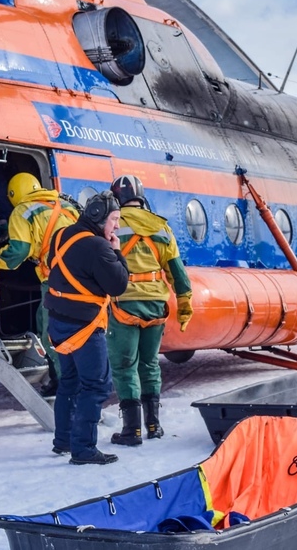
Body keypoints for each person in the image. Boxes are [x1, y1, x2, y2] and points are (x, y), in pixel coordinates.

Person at [106, 175, 193, 447]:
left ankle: (131, 430)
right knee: (150, 363)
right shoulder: (162, 227)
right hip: (156, 306)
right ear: (141, 197)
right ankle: (154, 425)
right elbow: (178, 274)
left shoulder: (112, 225)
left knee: (125, 365)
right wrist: (185, 306)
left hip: (123, 304)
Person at [45, 190, 129, 465]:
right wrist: (117, 252)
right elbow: (118, 285)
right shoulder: (99, 247)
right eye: (114, 219)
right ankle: (83, 449)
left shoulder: (61, 236)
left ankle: (64, 440)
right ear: (98, 217)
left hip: (58, 324)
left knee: (70, 381)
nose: (117, 226)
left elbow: (50, 264)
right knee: (97, 386)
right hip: (85, 327)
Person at [0, 172, 79, 395]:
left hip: (56, 281)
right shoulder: (66, 207)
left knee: (50, 332)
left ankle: (64, 384)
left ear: (13, 195)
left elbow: (18, 251)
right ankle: (66, 380)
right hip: (82, 279)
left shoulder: (22, 211)